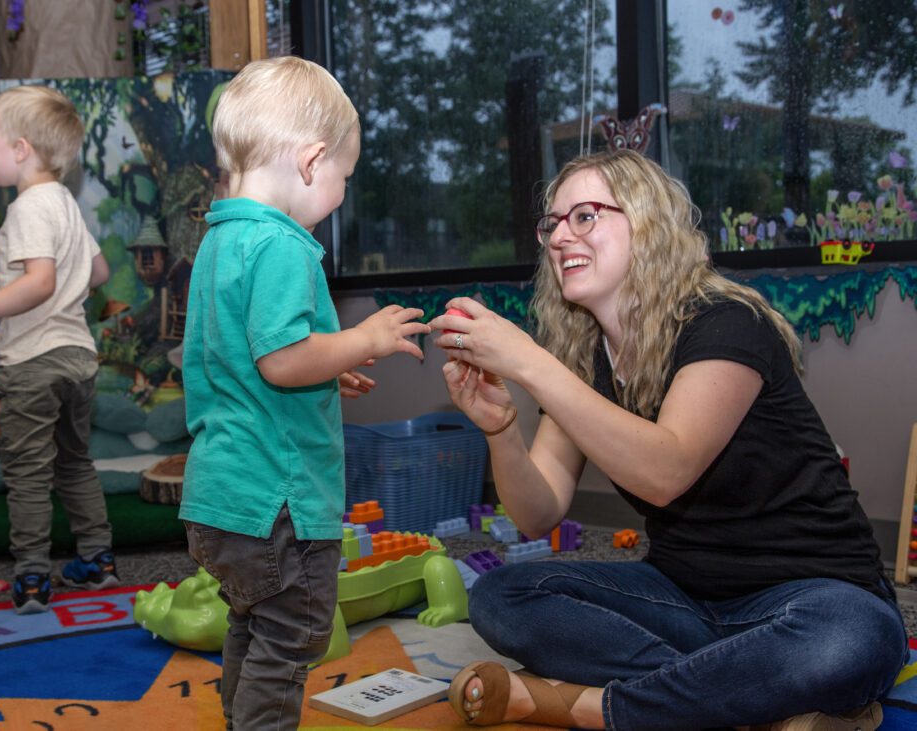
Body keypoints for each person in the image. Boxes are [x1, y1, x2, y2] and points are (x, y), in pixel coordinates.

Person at [429, 149, 906, 730]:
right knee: (500, 597)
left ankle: (597, 709)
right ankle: (741, 700)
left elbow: (665, 471)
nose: (559, 237)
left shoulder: (726, 321)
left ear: (649, 224)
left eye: (585, 216)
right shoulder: (582, 358)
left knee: (853, 641)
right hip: (683, 601)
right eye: (552, 223)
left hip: (814, 598)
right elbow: (537, 513)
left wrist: (529, 363)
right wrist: (501, 429)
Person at [179, 56, 430, 731]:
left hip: (221, 495)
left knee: (251, 620)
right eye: (344, 177)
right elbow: (282, 357)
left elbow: (244, 352)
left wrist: (330, 363)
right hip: (277, 501)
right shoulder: (284, 245)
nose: (341, 193)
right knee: (295, 632)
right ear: (313, 161)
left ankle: (240, 719)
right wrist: (364, 339)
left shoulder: (221, 239)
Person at [0, 85, 117, 615]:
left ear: (22, 148)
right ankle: (98, 560)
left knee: (28, 473)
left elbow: (39, 283)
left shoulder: (29, 208)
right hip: (77, 358)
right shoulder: (66, 205)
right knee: (75, 463)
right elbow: (98, 272)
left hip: (33, 361)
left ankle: (32, 576)